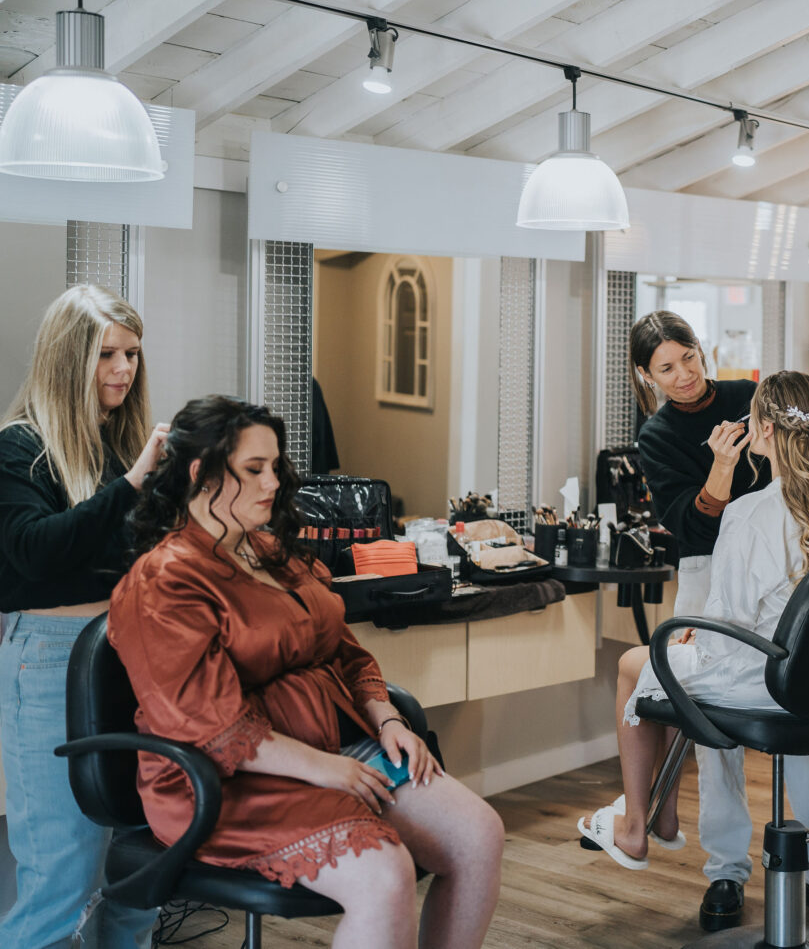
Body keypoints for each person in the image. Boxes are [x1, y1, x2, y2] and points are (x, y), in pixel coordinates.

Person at [107, 396, 503, 949]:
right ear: (200, 473)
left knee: (478, 836)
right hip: (229, 780)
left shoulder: (272, 552)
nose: (272, 482)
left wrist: (388, 719)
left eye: (275, 466)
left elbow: (344, 651)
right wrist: (323, 769)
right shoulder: (165, 581)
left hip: (334, 747)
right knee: (384, 875)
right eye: (253, 469)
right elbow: (210, 727)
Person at [580, 371, 809, 923]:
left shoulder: (749, 513)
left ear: (762, 430)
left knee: (635, 666)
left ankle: (648, 829)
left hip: (759, 682)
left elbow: (729, 621)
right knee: (702, 673)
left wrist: (695, 628)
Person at [0, 284, 167, 949]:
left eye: (131, 353)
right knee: (61, 874)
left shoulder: (116, 452)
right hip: (50, 654)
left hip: (128, 655)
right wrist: (130, 490)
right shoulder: (17, 449)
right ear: (69, 359)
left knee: (139, 867)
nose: (124, 369)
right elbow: (37, 552)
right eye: (106, 355)